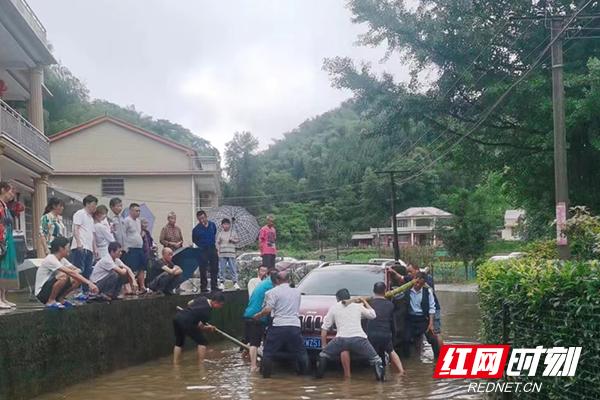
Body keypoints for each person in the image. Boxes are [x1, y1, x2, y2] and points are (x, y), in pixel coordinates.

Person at [317, 288, 385, 381]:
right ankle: (380, 383)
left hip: (340, 340)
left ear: (337, 299)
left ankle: (318, 378)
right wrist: (364, 301)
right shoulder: (358, 306)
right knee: (376, 360)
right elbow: (373, 315)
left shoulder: (334, 307)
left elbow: (324, 329)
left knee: (323, 355)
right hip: (359, 340)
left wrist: (324, 346)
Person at [253, 271, 309, 378]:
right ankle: (304, 376)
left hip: (278, 326)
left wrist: (258, 315)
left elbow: (268, 310)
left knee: (268, 352)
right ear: (289, 279)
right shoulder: (297, 292)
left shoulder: (272, 292)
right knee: (301, 352)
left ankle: (265, 377)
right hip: (294, 326)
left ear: (277, 280)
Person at [35, 237, 99, 308]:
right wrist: (89, 283)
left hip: (50, 290)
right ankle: (50, 301)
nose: (69, 249)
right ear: (61, 248)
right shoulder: (51, 259)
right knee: (63, 276)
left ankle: (60, 299)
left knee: (77, 278)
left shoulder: (62, 260)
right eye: (68, 247)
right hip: (41, 294)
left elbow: (77, 270)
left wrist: (74, 272)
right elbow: (71, 272)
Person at [173, 292, 225, 363]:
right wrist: (209, 328)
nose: (221, 307)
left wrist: (193, 311)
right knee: (202, 341)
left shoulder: (203, 298)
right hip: (187, 322)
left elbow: (189, 303)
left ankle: (175, 362)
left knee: (179, 342)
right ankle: (201, 363)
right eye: (221, 305)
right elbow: (200, 327)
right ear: (215, 302)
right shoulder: (207, 312)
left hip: (178, 317)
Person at [367, 282, 405, 375]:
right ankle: (401, 371)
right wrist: (393, 335)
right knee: (391, 351)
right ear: (385, 291)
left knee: (374, 355)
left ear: (373, 291)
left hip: (372, 334)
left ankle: (377, 373)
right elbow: (393, 323)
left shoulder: (369, 303)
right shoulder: (390, 305)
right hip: (385, 334)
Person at [401, 272, 440, 359]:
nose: (417, 285)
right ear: (414, 280)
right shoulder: (406, 291)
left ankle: (437, 360)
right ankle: (408, 361)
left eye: (420, 284)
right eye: (417, 282)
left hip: (423, 319)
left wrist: (431, 324)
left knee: (433, 339)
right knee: (405, 340)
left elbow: (432, 308)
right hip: (410, 319)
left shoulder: (428, 292)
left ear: (423, 284)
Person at [242, 270, 275, 372]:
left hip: (249, 314)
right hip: (257, 317)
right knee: (255, 343)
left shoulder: (263, 283)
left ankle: (244, 356)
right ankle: (253, 366)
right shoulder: (271, 286)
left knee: (253, 340)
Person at [70, 194, 98, 299]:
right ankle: (77, 291)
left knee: (87, 270)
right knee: (79, 269)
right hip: (80, 246)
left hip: (89, 247)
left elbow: (93, 234)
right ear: (87, 204)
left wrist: (95, 248)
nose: (95, 207)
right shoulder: (80, 213)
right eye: (93, 204)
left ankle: (85, 292)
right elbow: (75, 228)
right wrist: (78, 242)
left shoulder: (90, 218)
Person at [122, 203, 146, 294]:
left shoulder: (138, 221)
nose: (138, 212)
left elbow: (138, 233)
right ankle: (131, 287)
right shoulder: (126, 220)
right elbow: (123, 234)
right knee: (131, 268)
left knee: (142, 267)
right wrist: (125, 247)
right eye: (136, 211)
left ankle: (142, 286)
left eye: (139, 211)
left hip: (139, 248)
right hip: (130, 248)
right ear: (131, 211)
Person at [0, 182, 18, 309]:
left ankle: (3, 297)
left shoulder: (5, 206)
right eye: (10, 191)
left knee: (4, 269)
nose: (12, 194)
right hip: (2, 239)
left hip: (7, 239)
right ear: (2, 190)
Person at [192, 210, 219, 292]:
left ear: (206, 217)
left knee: (214, 267)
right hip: (202, 249)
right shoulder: (196, 229)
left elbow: (214, 233)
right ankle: (203, 286)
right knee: (203, 268)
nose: (202, 220)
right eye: (200, 219)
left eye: (203, 218)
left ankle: (214, 286)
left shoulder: (212, 225)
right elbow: (194, 240)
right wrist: (201, 244)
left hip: (212, 248)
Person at [216, 218, 240, 290]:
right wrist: (218, 251)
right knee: (222, 269)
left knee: (232, 268)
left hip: (231, 253)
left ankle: (235, 282)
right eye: (224, 224)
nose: (226, 225)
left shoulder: (233, 232)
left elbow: (238, 240)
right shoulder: (220, 233)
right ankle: (222, 283)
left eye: (227, 224)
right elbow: (217, 243)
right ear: (222, 225)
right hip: (222, 253)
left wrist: (233, 240)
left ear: (229, 225)